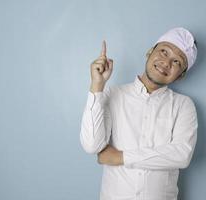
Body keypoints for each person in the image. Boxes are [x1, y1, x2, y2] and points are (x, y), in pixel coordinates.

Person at [80, 27, 198, 200]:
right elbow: (92, 145)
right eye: (164, 51)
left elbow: (181, 155)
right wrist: (97, 86)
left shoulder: (184, 105)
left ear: (180, 76)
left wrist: (121, 157)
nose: (166, 63)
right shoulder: (112, 94)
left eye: (177, 62)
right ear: (150, 52)